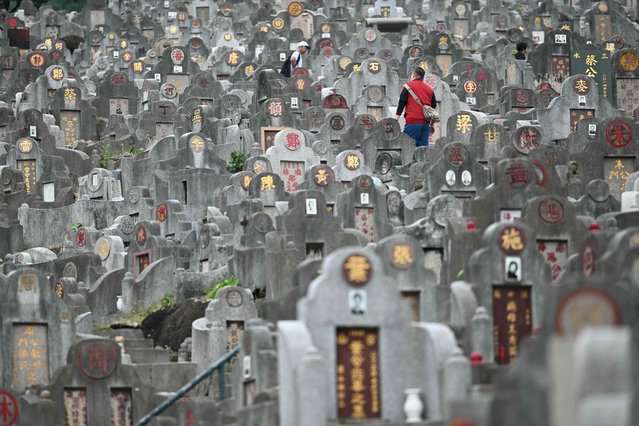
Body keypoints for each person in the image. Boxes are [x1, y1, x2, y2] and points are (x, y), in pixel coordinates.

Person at [394, 67, 437, 148]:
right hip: (426, 123)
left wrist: (397, 116)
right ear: (422, 77)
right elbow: (433, 105)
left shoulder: (407, 86)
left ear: (413, 75)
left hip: (413, 122)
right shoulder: (429, 89)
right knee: (423, 150)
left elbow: (402, 101)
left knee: (408, 147)